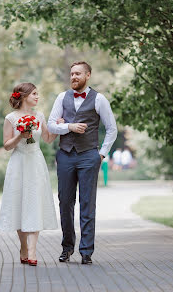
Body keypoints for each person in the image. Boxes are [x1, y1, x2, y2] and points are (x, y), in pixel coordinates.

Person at [48, 61, 117, 265]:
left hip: (89, 156)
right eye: (71, 74)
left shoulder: (100, 99)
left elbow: (112, 128)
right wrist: (69, 126)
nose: (73, 77)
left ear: (88, 75)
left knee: (87, 204)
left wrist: (102, 154)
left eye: (78, 73)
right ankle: (67, 247)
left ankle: (86, 251)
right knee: (65, 203)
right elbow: (51, 125)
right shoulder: (62, 97)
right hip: (65, 155)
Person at [0, 82, 62, 267]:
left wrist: (57, 128)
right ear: (24, 96)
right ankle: (24, 247)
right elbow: (7, 146)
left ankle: (33, 252)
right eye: (34, 93)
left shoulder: (39, 115)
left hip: (35, 163)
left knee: (35, 204)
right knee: (19, 204)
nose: (37, 97)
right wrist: (20, 136)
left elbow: (48, 139)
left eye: (37, 94)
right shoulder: (10, 118)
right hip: (18, 164)